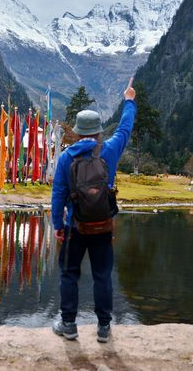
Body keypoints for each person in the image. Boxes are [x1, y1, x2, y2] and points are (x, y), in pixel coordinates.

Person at [51, 79, 136, 343]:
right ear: (98, 132)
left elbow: (58, 195)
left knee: (69, 274)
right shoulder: (109, 150)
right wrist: (130, 100)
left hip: (74, 227)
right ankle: (103, 328)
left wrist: (57, 225)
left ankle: (69, 325)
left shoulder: (66, 158)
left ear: (76, 133)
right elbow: (125, 128)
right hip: (102, 227)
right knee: (102, 276)